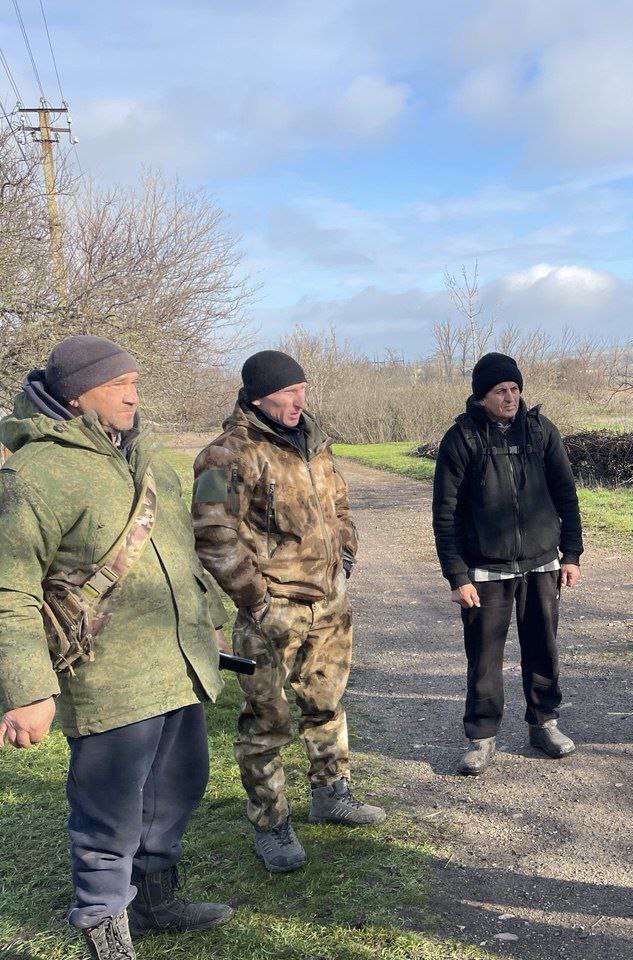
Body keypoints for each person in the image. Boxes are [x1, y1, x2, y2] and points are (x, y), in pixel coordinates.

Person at [0, 336, 232, 960]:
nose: (134, 393)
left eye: (136, 380)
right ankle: (106, 932)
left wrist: (209, 617)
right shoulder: (34, 474)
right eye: (119, 383)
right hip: (106, 677)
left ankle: (156, 902)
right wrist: (27, 691)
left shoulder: (149, 455)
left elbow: (184, 552)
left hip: (176, 660)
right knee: (109, 815)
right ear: (77, 394)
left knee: (177, 787)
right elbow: (9, 590)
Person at [192, 350, 384, 875]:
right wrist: (256, 599)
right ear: (258, 397)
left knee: (326, 701)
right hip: (271, 612)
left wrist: (345, 553)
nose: (300, 399)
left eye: (303, 388)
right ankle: (271, 823)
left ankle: (332, 793)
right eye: (288, 391)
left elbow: (338, 505)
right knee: (267, 720)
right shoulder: (227, 454)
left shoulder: (316, 444)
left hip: (328, 602)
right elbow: (213, 536)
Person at [431, 352, 584, 775]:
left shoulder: (540, 432)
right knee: (483, 657)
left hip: (540, 564)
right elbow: (445, 513)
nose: (511, 397)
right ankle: (481, 738)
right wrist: (456, 575)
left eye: (515, 389)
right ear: (482, 396)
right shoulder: (461, 439)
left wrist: (571, 555)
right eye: (501, 390)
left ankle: (544, 724)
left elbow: (566, 496)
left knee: (543, 649)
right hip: (484, 571)